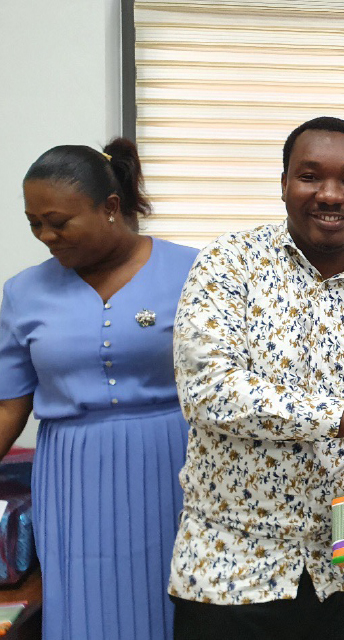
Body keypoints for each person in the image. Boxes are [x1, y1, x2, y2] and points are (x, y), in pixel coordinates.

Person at [168, 116, 344, 640]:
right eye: (310, 176)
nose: (331, 194)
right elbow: (208, 392)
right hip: (232, 574)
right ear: (284, 184)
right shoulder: (228, 265)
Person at [0, 139, 199, 640]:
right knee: (87, 610)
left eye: (59, 221)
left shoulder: (197, 272)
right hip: (72, 476)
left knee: (176, 606)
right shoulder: (22, 293)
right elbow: (8, 406)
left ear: (111, 207)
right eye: (33, 223)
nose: (46, 235)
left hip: (176, 467)